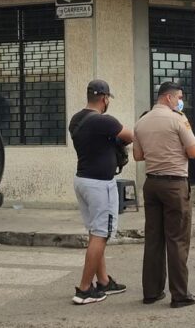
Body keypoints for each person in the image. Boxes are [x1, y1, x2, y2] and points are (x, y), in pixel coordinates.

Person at [134, 82, 195, 308]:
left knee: (153, 239)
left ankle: (151, 292)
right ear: (170, 98)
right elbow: (194, 152)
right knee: (177, 239)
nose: (181, 100)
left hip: (151, 183)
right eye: (179, 97)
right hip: (174, 185)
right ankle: (180, 294)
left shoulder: (141, 121)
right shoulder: (178, 119)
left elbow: (137, 155)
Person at [69, 80, 132, 305]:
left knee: (96, 233)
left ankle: (104, 282)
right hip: (99, 185)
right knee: (101, 234)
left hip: (82, 181)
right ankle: (84, 288)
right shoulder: (105, 121)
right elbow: (130, 136)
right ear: (105, 99)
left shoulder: (76, 120)